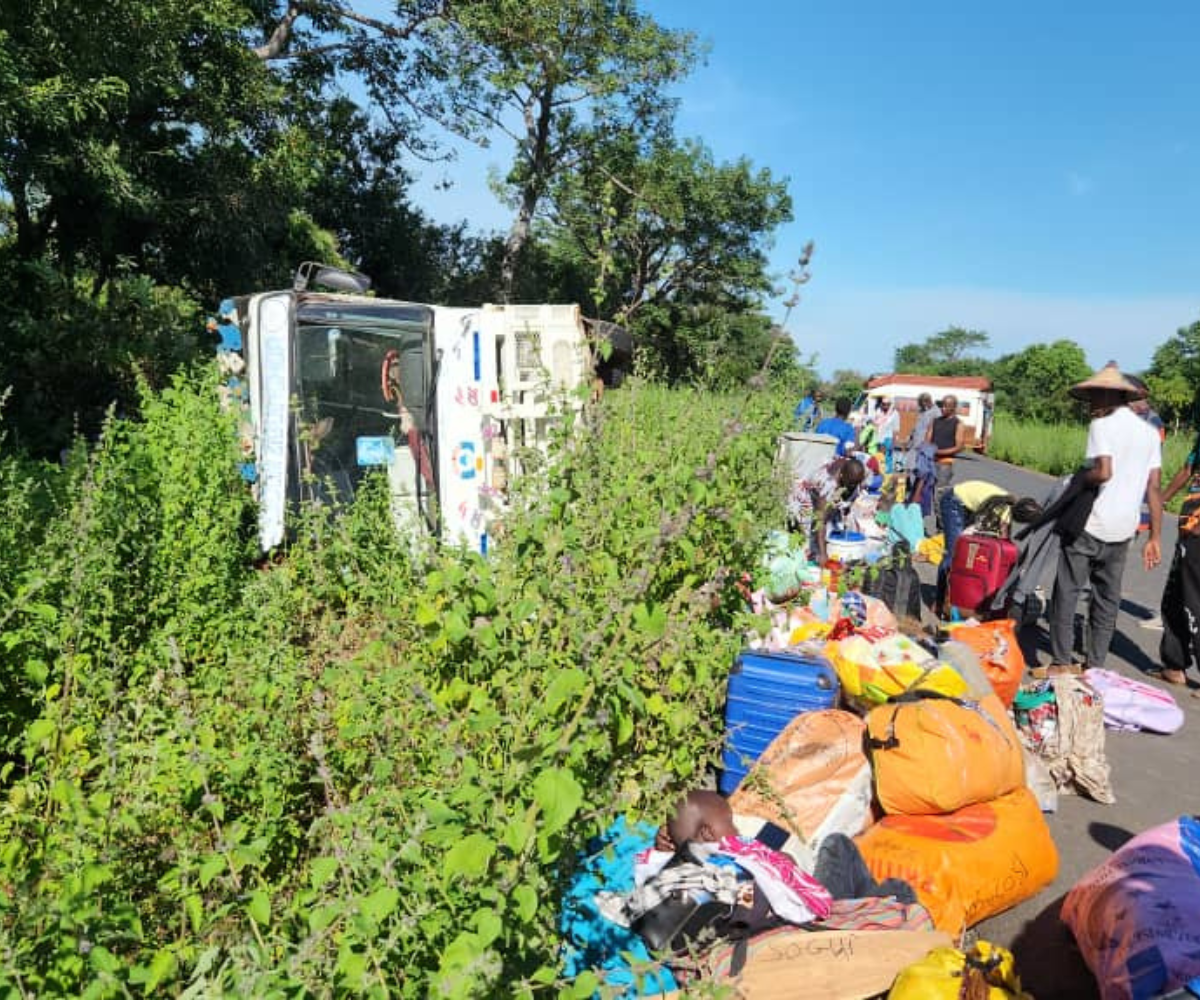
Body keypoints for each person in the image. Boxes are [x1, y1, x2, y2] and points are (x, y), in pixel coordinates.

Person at [1046, 363, 1162, 675]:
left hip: (1091, 524)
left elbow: (1104, 472)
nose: (1091, 404)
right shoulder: (1149, 433)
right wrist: (1154, 537)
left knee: (1067, 592)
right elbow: (1154, 488)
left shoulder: (1102, 426)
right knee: (1107, 599)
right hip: (1124, 528)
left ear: (1108, 394)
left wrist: (1081, 478)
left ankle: (1060, 662)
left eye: (1094, 396)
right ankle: (1095, 665)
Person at [934, 481, 1043, 618]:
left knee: (964, 552)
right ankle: (939, 602)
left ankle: (956, 598)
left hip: (966, 504)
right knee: (954, 554)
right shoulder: (1004, 512)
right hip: (954, 500)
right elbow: (1003, 542)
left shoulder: (1008, 504)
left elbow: (1001, 544)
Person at [1153, 427, 1200, 688]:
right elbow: (1188, 468)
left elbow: (1187, 469)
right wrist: (1160, 500)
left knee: (1193, 597)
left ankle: (1175, 663)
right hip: (1190, 526)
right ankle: (1174, 664)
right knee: (1176, 594)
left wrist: (1160, 499)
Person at [787, 456, 866, 562]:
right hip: (807, 496)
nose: (855, 486)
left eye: (857, 483)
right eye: (852, 483)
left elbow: (849, 497)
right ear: (842, 476)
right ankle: (808, 559)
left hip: (834, 493)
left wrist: (846, 509)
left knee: (838, 528)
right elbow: (820, 521)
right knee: (811, 538)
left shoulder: (855, 471)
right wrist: (823, 554)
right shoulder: (827, 484)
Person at [927, 394, 968, 526]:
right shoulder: (936, 420)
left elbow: (959, 446)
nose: (943, 408)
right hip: (931, 461)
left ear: (953, 408)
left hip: (945, 463)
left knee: (939, 495)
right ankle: (938, 523)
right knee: (928, 494)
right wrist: (927, 448)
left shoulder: (958, 424)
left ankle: (942, 525)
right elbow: (928, 438)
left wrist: (939, 452)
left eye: (946, 406)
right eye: (942, 405)